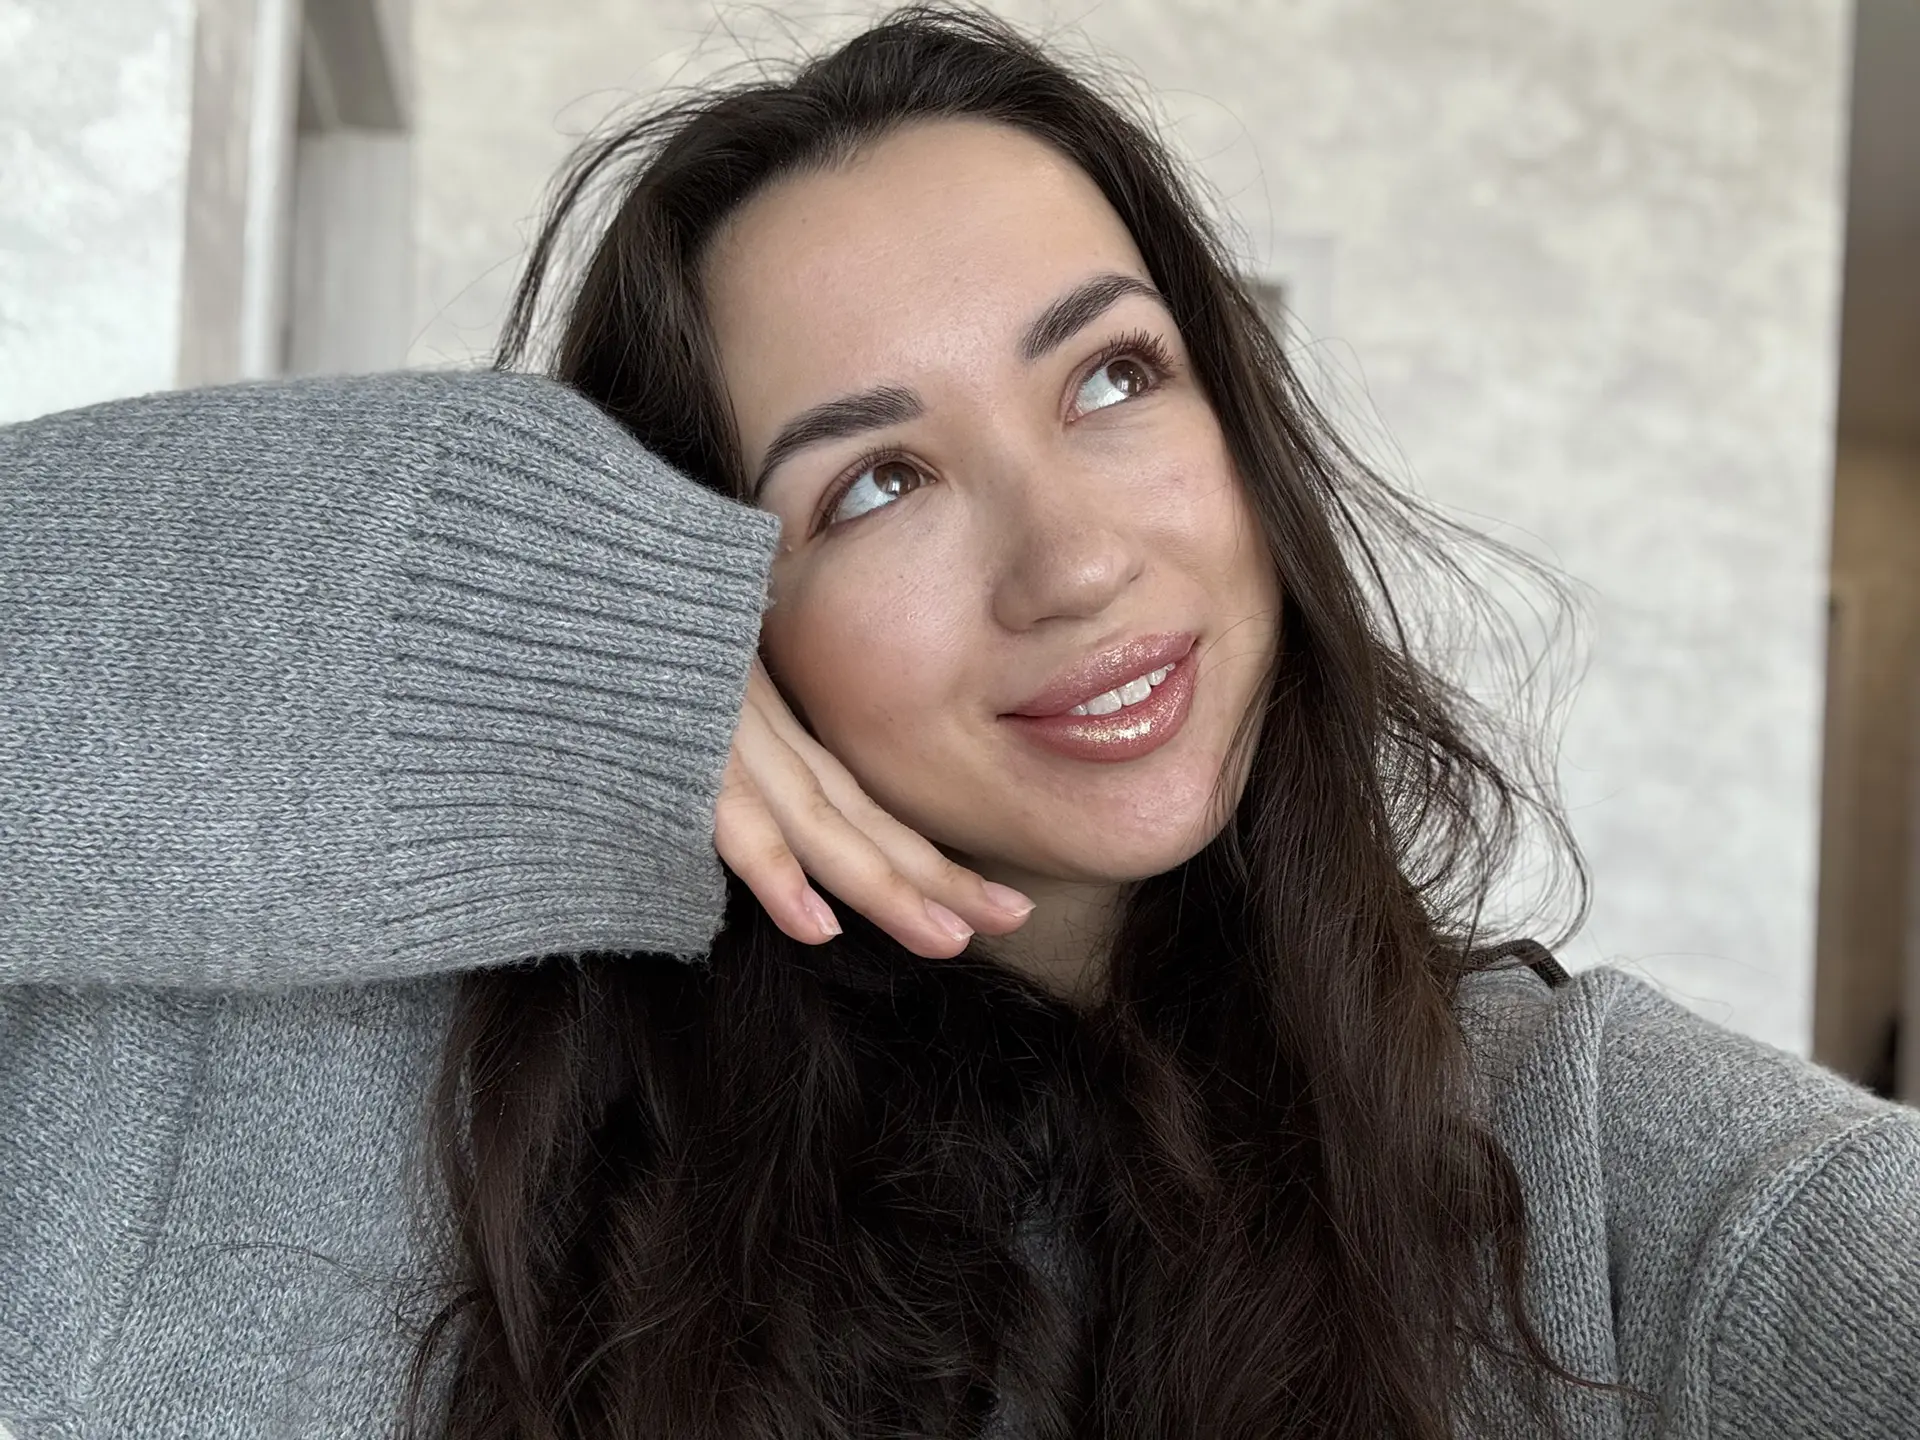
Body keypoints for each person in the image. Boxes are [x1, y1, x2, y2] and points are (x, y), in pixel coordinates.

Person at [3, 6, 1917, 1438]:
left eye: (1113, 379)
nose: (1073, 562)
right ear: (698, 603)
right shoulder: (362, 1081)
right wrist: (499, 617)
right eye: (875, 484)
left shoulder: (1560, 1152)